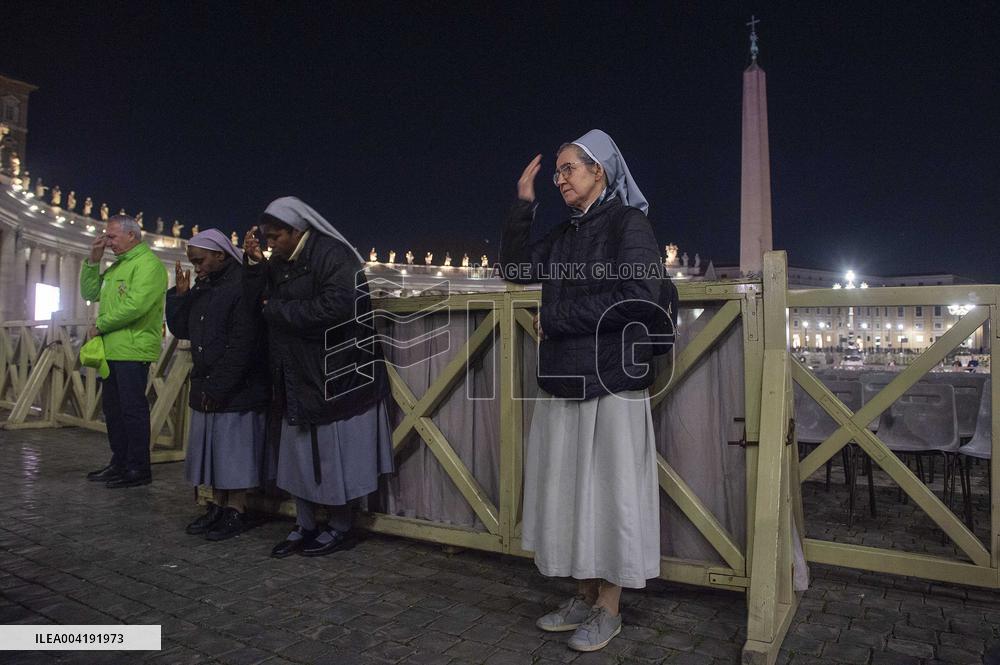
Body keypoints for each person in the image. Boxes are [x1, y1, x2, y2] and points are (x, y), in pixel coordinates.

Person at [500, 130, 667, 652]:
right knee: (573, 492)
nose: (559, 178)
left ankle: (609, 607)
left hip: (611, 382)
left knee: (611, 494)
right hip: (567, 379)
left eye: (569, 168)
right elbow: (514, 270)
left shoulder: (629, 225)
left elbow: (640, 297)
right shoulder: (566, 233)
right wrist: (524, 206)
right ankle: (582, 592)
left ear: (600, 171)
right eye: (557, 171)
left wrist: (557, 317)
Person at [243, 197, 393, 558]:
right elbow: (257, 302)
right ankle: (305, 524)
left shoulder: (334, 255)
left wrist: (278, 310)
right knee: (297, 456)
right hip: (298, 373)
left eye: (275, 236)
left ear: (297, 230)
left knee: (333, 456)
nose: (270, 244)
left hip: (335, 373)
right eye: (266, 238)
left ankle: (340, 525)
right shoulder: (278, 261)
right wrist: (252, 265)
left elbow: (339, 306)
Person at [165, 229, 269, 540]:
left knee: (233, 453)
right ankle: (218, 506)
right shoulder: (203, 285)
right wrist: (179, 297)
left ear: (220, 255)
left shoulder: (241, 285)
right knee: (213, 450)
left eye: (199, 261)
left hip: (236, 385)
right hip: (208, 381)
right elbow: (182, 329)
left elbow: (243, 343)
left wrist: (219, 386)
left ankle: (236, 509)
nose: (195, 267)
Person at [80, 214, 168, 488]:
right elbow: (90, 292)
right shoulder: (118, 267)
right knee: (114, 411)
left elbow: (136, 305)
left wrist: (101, 324)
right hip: (112, 350)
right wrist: (93, 262)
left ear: (132, 235)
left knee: (132, 411)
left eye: (112, 236)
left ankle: (139, 468)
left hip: (134, 348)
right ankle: (119, 462)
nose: (108, 241)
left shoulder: (149, 265)